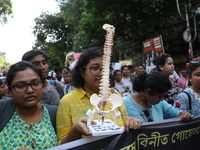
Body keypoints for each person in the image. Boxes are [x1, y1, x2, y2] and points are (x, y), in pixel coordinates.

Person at [56, 47, 142, 144]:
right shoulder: (67, 101)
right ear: (82, 72)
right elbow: (62, 145)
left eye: (105, 69)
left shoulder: (115, 95)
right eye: (95, 68)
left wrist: (131, 122)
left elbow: (125, 124)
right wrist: (75, 131)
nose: (102, 74)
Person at [0, 61, 58, 149]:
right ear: (10, 90)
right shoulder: (2, 109)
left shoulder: (55, 113)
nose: (30, 90)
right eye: (20, 86)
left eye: (35, 84)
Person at [123, 72, 194, 123]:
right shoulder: (124, 103)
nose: (162, 99)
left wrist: (183, 114)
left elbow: (176, 113)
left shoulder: (160, 103)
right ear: (148, 92)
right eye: (159, 96)